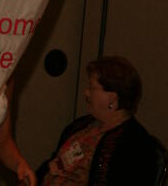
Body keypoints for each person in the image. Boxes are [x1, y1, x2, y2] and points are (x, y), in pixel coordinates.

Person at [36, 56, 157, 185]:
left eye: (92, 87)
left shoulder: (136, 146)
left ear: (112, 99)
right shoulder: (82, 125)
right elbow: (53, 162)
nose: (86, 93)